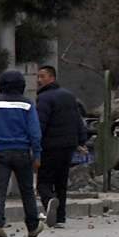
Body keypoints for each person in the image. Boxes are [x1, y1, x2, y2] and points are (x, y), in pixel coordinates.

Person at [0, 70, 44, 237]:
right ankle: (32, 226)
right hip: (22, 152)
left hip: (0, 152)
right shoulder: (27, 104)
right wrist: (37, 154)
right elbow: (35, 133)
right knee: (27, 191)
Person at [36, 65, 87, 228]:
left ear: (52, 78)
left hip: (50, 146)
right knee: (61, 182)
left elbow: (40, 123)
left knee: (43, 181)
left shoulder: (44, 98)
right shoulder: (69, 96)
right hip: (68, 146)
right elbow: (78, 120)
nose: (39, 80)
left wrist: (34, 143)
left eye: (42, 76)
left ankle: (49, 200)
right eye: (38, 77)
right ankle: (60, 217)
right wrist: (81, 141)